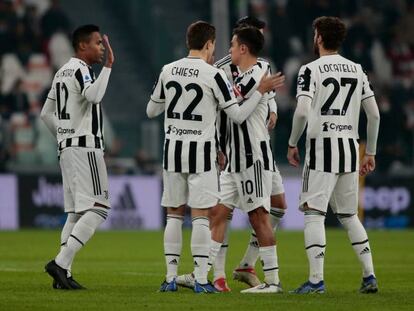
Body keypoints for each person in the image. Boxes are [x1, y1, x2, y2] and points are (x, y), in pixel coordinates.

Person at [147, 21, 283, 294]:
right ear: (209, 44)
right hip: (209, 153)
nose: (225, 49)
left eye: (232, 44)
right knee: (207, 214)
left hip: (182, 151)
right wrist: (260, 93)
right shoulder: (215, 73)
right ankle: (203, 277)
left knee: (177, 214)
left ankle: (173, 277)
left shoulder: (168, 69)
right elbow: (236, 113)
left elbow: (152, 110)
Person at [287, 16, 380, 294]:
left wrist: (293, 142)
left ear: (318, 37)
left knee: (314, 214)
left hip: (321, 148)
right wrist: (370, 152)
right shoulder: (357, 69)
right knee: (350, 216)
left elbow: (302, 111)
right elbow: (373, 114)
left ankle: (316, 281)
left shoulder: (310, 69)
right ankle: (369, 276)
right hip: (350, 149)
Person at [41, 24, 114, 290]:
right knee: (99, 208)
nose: (102, 47)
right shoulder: (83, 70)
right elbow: (93, 96)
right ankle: (61, 263)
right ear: (83, 46)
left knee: (74, 213)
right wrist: (108, 67)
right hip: (85, 148)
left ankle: (63, 276)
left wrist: (63, 136)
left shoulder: (61, 72)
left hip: (67, 149)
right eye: (97, 43)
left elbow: (45, 114)